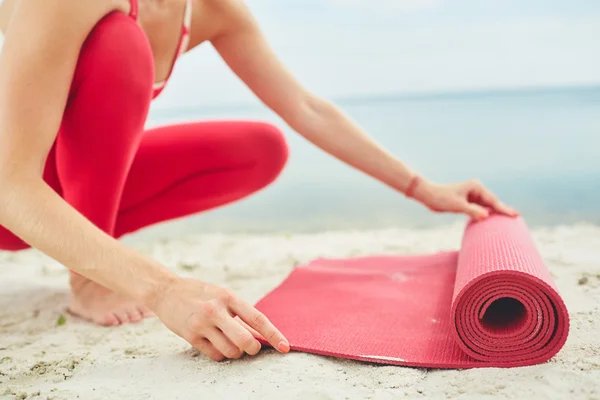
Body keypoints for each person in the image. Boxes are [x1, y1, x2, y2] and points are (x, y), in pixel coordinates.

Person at [0, 0, 518, 362]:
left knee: (257, 150)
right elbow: (10, 184)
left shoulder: (211, 9)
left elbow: (306, 108)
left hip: (48, 203)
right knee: (121, 46)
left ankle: (86, 251)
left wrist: (420, 187)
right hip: (13, 192)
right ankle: (88, 280)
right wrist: (162, 289)